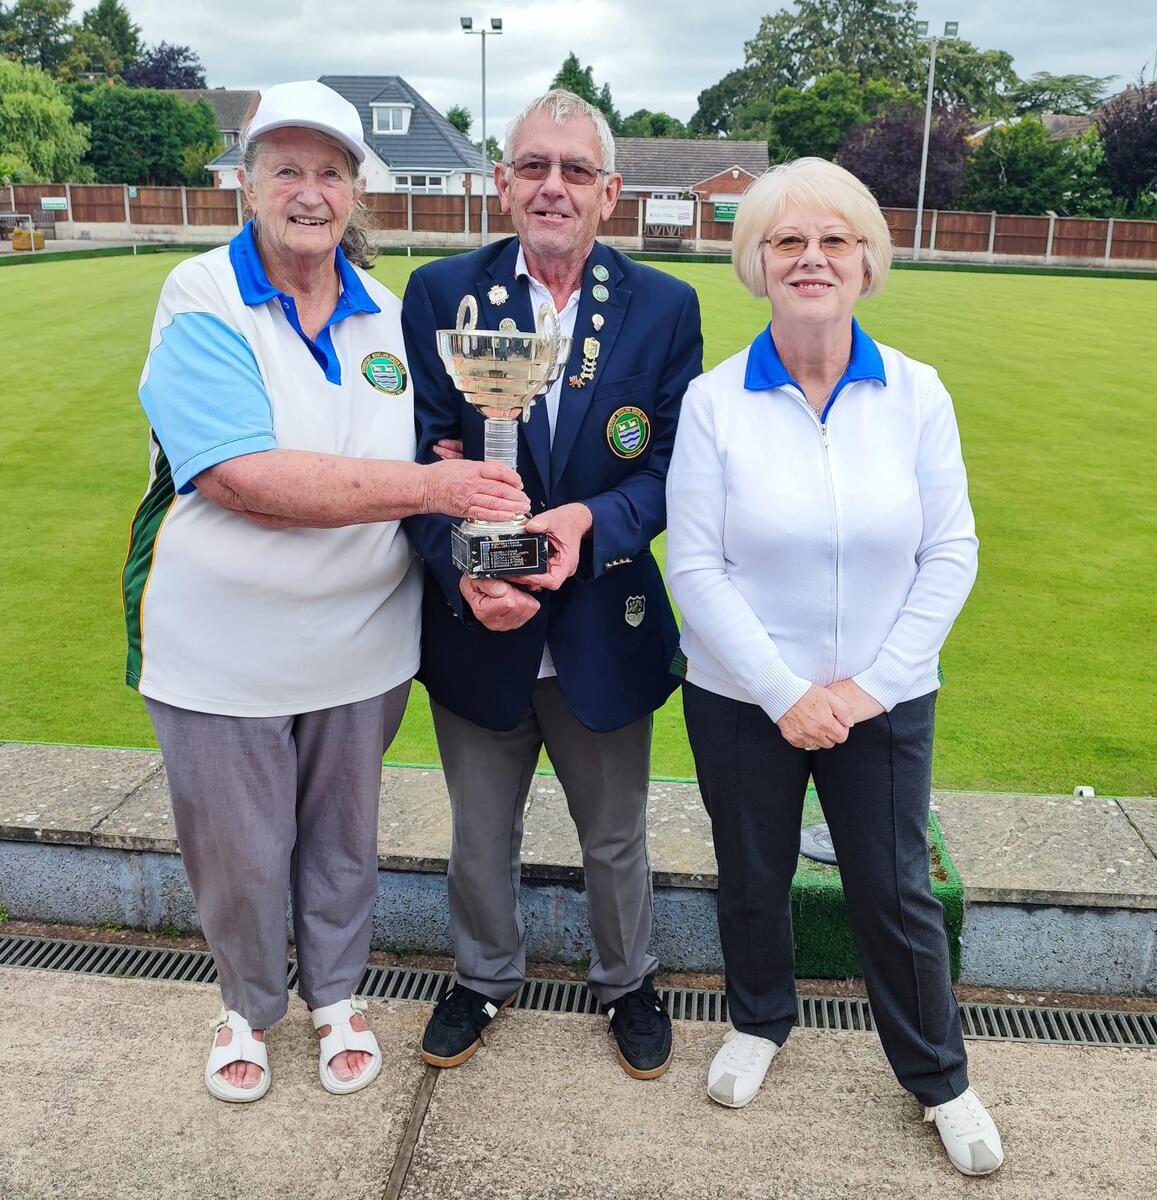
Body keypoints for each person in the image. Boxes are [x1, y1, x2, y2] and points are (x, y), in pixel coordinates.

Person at [120, 80, 528, 1103]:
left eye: (331, 172)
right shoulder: (202, 295)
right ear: (248, 184)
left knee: (345, 843)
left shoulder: (389, 316)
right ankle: (249, 1007)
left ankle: (336, 997)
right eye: (288, 169)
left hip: (362, 643)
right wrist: (440, 483)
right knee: (243, 856)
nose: (311, 192)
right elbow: (240, 476)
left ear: (357, 193)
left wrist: (487, 550)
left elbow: (443, 459)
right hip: (222, 643)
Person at [665, 158, 1004, 1176]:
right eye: (787, 242)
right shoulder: (717, 401)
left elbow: (951, 552)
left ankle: (938, 1078)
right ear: (756, 263)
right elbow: (695, 563)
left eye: (834, 241)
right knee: (754, 876)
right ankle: (761, 1022)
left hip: (884, 699)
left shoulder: (917, 394)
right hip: (740, 697)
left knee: (893, 891)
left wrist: (865, 689)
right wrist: (783, 692)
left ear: (867, 261)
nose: (811, 258)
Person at [402, 89, 703, 1080]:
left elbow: (669, 476)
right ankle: (484, 975)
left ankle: (625, 980)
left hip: (599, 625)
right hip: (478, 626)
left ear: (610, 192)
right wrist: (461, 565)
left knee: (614, 835)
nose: (553, 187)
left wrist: (590, 521)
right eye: (533, 166)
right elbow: (415, 466)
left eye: (575, 171)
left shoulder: (665, 308)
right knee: (478, 835)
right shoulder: (441, 293)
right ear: (502, 182)